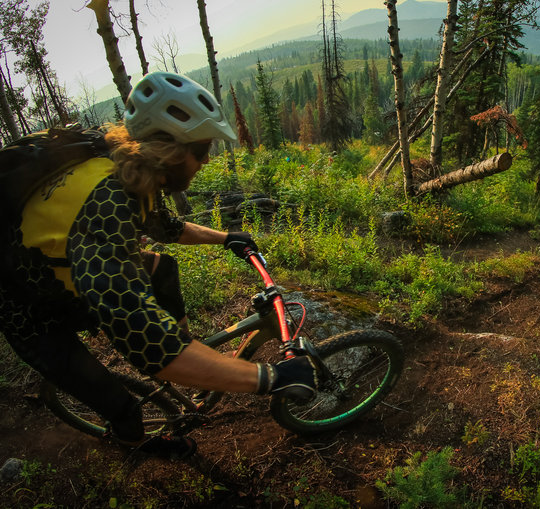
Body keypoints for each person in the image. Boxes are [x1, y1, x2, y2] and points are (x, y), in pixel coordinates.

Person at [0, 71, 318, 459]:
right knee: (122, 407)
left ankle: (190, 354)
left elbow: (163, 227)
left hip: (70, 271)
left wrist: (226, 238)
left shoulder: (123, 165)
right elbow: (148, 344)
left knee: (162, 269)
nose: (206, 159)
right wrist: (269, 377)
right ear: (169, 149)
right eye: (202, 150)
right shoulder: (107, 205)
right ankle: (141, 445)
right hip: (28, 306)